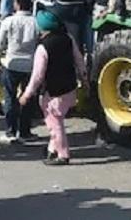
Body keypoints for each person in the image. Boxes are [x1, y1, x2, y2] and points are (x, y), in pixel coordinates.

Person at [20, 9, 86, 165]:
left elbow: (37, 76)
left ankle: (63, 155)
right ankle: (52, 150)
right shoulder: (68, 38)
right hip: (69, 88)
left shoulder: (43, 47)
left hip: (53, 92)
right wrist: (85, 79)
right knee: (57, 121)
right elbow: (79, 60)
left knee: (54, 123)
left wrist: (27, 94)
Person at [0, 0, 38, 143]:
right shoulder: (36, 22)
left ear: (17, 4)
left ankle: (10, 131)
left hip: (11, 63)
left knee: (9, 98)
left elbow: (0, 43)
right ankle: (25, 131)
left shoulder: (8, 21)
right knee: (28, 98)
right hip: (30, 65)